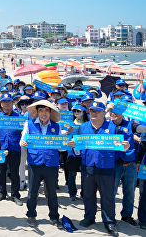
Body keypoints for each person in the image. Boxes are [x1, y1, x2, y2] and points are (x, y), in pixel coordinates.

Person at [67, 101, 130, 237]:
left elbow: (120, 150)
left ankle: (109, 222)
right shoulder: (83, 127)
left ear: (103, 113)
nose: (93, 113)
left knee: (107, 197)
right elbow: (79, 148)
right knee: (88, 194)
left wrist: (125, 148)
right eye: (91, 111)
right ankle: (89, 217)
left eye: (97, 111)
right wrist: (73, 145)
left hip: (107, 167)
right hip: (88, 166)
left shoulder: (113, 128)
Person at [20, 100, 65, 229]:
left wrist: (67, 144)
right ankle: (31, 215)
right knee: (32, 192)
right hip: (35, 162)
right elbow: (23, 140)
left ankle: (55, 217)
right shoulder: (29, 124)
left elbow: (60, 148)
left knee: (51, 192)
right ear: (37, 112)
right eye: (41, 110)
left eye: (46, 110)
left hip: (51, 163)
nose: (44, 113)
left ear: (50, 112)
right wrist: (22, 143)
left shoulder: (56, 126)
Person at [108, 100, 146, 226]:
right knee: (111, 193)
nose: (114, 113)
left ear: (123, 112)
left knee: (129, 193)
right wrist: (107, 109)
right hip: (114, 165)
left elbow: (142, 129)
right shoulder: (106, 126)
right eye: (112, 111)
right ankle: (110, 216)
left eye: (116, 111)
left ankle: (127, 215)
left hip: (130, 165)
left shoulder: (131, 124)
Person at [0, 93, 22, 205]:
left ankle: (15, 195)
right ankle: (2, 193)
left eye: (8, 101)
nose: (6, 104)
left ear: (12, 103)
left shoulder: (19, 117)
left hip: (15, 147)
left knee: (15, 172)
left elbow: (23, 131)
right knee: (1, 171)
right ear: (1, 103)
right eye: (4, 101)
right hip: (1, 148)